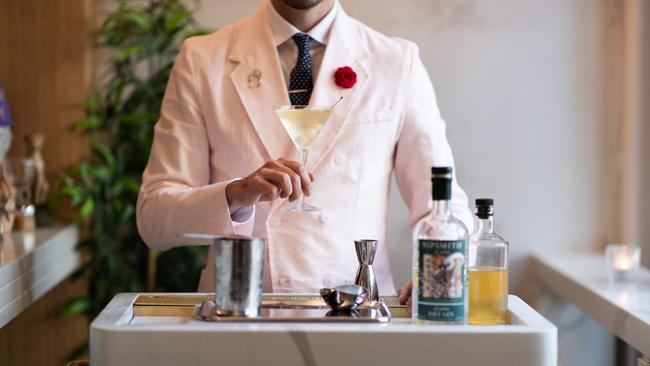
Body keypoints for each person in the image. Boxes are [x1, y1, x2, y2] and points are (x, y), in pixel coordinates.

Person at [136, 0, 473, 304]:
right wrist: (234, 196)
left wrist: (439, 271)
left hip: (359, 315)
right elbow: (154, 219)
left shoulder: (397, 62)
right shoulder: (203, 60)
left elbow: (441, 201)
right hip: (240, 315)